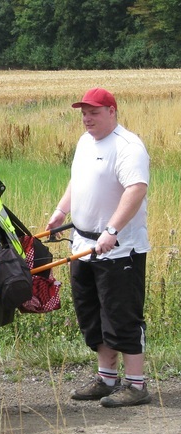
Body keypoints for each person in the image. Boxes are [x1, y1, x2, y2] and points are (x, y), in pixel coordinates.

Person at [46, 87, 151, 407]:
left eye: (93, 112)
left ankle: (136, 385)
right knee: (91, 314)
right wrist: (61, 210)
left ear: (112, 111)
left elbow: (136, 190)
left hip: (119, 249)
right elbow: (77, 181)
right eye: (83, 113)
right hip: (83, 244)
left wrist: (112, 230)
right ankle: (107, 378)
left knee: (122, 314)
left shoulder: (128, 147)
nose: (86, 118)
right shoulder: (84, 143)